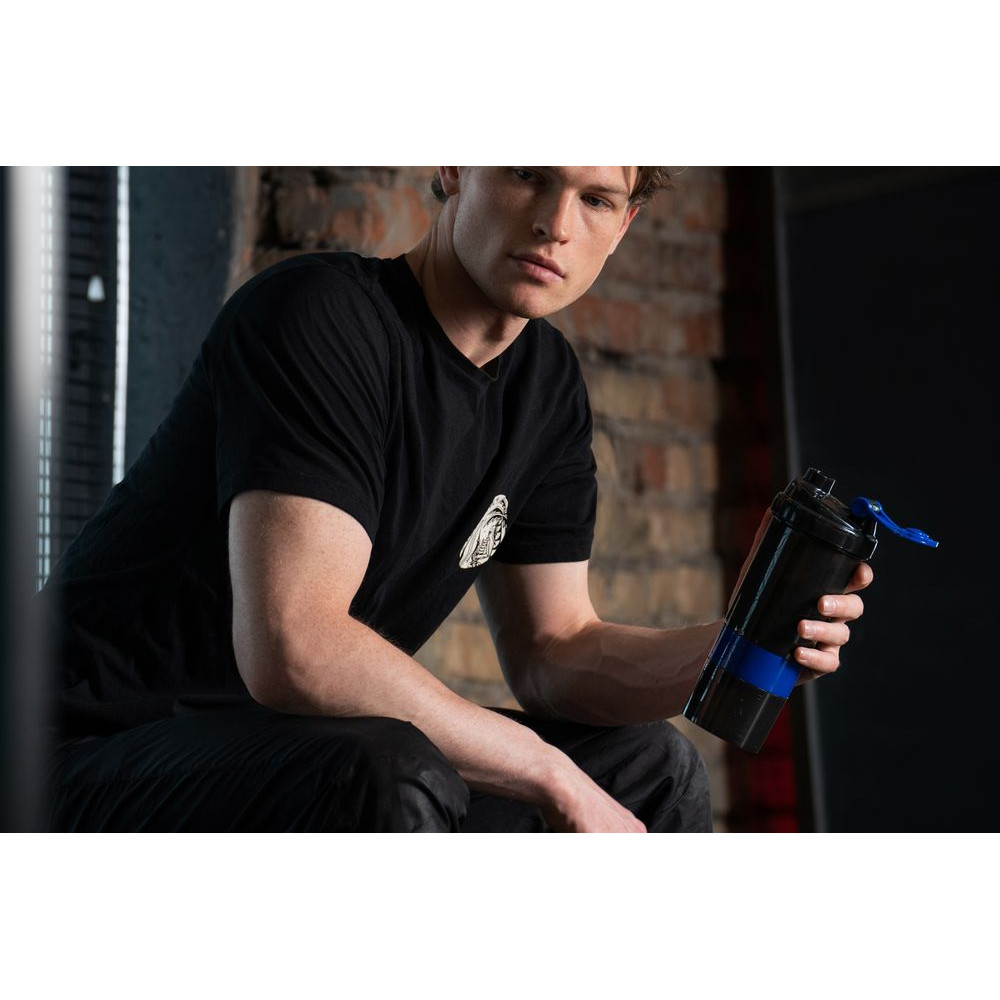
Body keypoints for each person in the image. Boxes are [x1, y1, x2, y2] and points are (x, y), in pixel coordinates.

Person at [45, 166, 871, 832]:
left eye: (595, 200)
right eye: (527, 176)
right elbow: (297, 647)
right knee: (386, 769)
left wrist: (743, 645)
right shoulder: (318, 316)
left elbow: (555, 653)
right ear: (455, 168)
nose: (555, 223)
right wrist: (547, 771)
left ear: (623, 226)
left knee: (648, 767)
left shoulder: (545, 390)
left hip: (281, 755)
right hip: (86, 752)